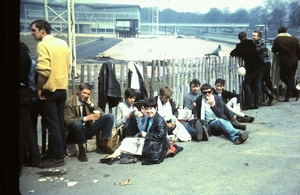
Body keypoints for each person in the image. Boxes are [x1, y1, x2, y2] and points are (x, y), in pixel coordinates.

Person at [31, 19, 70, 168]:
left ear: (43, 30)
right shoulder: (63, 43)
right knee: (59, 122)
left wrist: (39, 88)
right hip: (62, 90)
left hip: (50, 90)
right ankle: (59, 151)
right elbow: (68, 64)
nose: (32, 33)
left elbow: (44, 70)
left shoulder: (43, 45)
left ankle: (58, 157)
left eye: (34, 30)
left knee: (52, 124)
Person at [64, 83, 114, 162]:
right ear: (79, 91)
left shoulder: (89, 100)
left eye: (88, 94)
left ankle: (103, 146)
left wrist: (91, 104)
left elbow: (102, 114)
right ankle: (81, 150)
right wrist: (85, 118)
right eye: (84, 93)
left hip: (87, 129)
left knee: (109, 117)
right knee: (77, 123)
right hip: (74, 133)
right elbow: (68, 121)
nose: (86, 95)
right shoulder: (70, 102)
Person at [19, 42, 40, 174]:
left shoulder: (27, 62)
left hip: (26, 95)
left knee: (24, 128)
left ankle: (27, 158)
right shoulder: (30, 61)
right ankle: (35, 157)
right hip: (30, 96)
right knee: (29, 127)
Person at [230, 31, 265, 110]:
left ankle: (249, 104)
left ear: (239, 38)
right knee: (258, 83)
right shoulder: (251, 42)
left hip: (253, 67)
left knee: (246, 84)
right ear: (246, 36)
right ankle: (256, 104)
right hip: (261, 64)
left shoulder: (240, 45)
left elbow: (232, 53)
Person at [271, 26, 300, 102]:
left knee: (283, 77)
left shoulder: (278, 40)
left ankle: (293, 92)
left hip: (284, 62)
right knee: (291, 78)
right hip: (294, 61)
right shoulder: (294, 39)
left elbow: (274, 50)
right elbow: (298, 50)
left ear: (279, 32)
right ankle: (291, 94)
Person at [252, 30, 276, 106]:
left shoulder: (259, 43)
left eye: (254, 36)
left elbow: (255, 53)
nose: (253, 37)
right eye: (252, 35)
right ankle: (271, 95)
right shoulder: (257, 42)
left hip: (264, 64)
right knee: (262, 82)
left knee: (265, 81)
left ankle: (271, 96)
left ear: (258, 36)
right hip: (264, 63)